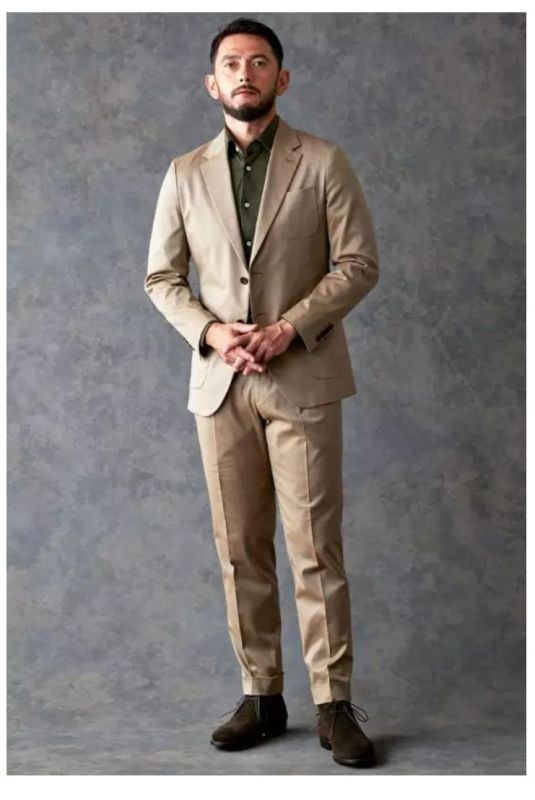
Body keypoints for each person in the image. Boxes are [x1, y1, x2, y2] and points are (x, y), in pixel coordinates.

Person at [144, 16, 380, 769]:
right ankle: (261, 694)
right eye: (230, 64)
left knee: (314, 548)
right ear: (211, 83)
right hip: (221, 387)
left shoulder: (323, 161)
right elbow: (162, 278)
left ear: (282, 77)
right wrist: (213, 333)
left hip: (302, 377)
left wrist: (289, 327)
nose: (243, 73)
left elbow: (357, 263)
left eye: (258, 62)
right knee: (238, 548)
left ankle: (333, 703)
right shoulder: (184, 173)